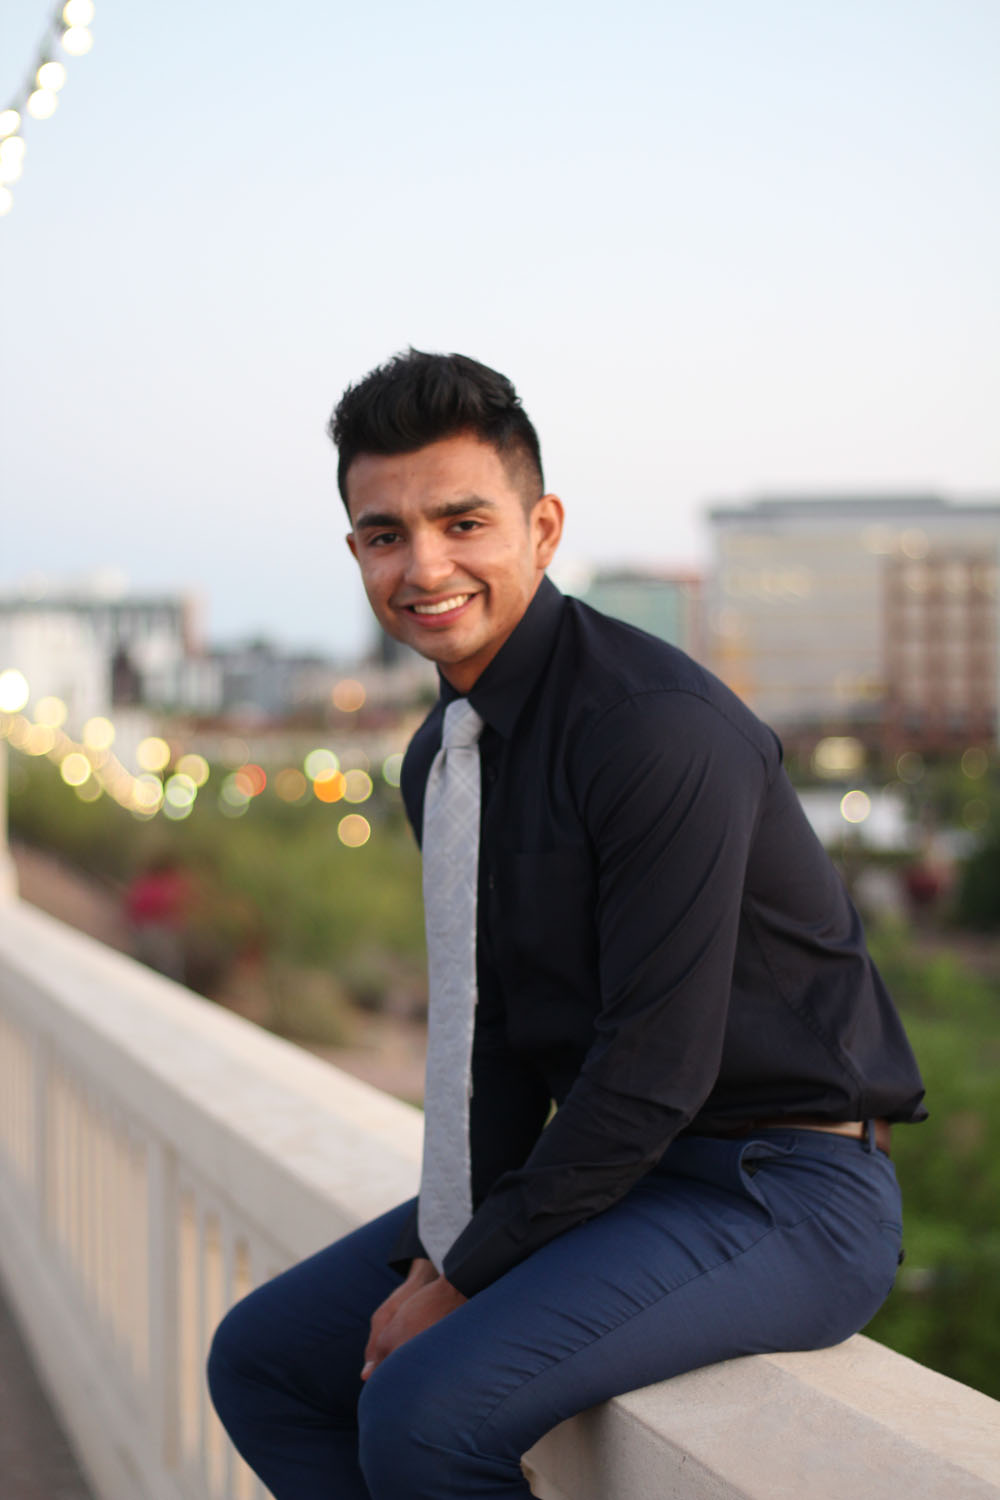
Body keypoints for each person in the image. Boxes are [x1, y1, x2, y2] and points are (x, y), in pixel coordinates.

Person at [207, 350, 926, 1499]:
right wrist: (451, 1240)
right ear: (356, 553)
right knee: (266, 1363)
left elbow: (655, 1064)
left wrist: (468, 1274)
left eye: (462, 521)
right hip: (615, 1174)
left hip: (779, 1185)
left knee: (425, 1417)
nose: (424, 565)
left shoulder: (655, 730)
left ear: (542, 527)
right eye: (385, 534)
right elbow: (489, 1040)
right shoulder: (442, 760)